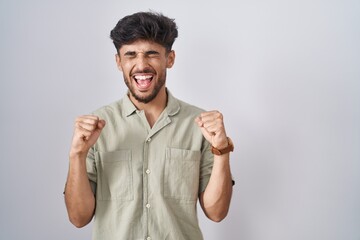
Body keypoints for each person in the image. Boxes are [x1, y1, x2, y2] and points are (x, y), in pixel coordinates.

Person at [64, 11, 234, 240]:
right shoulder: (96, 129)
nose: (141, 65)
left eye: (152, 54)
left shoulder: (201, 125)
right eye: (130, 55)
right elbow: (78, 217)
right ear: (118, 62)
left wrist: (222, 151)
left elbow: (216, 212)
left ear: (170, 58)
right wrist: (77, 155)